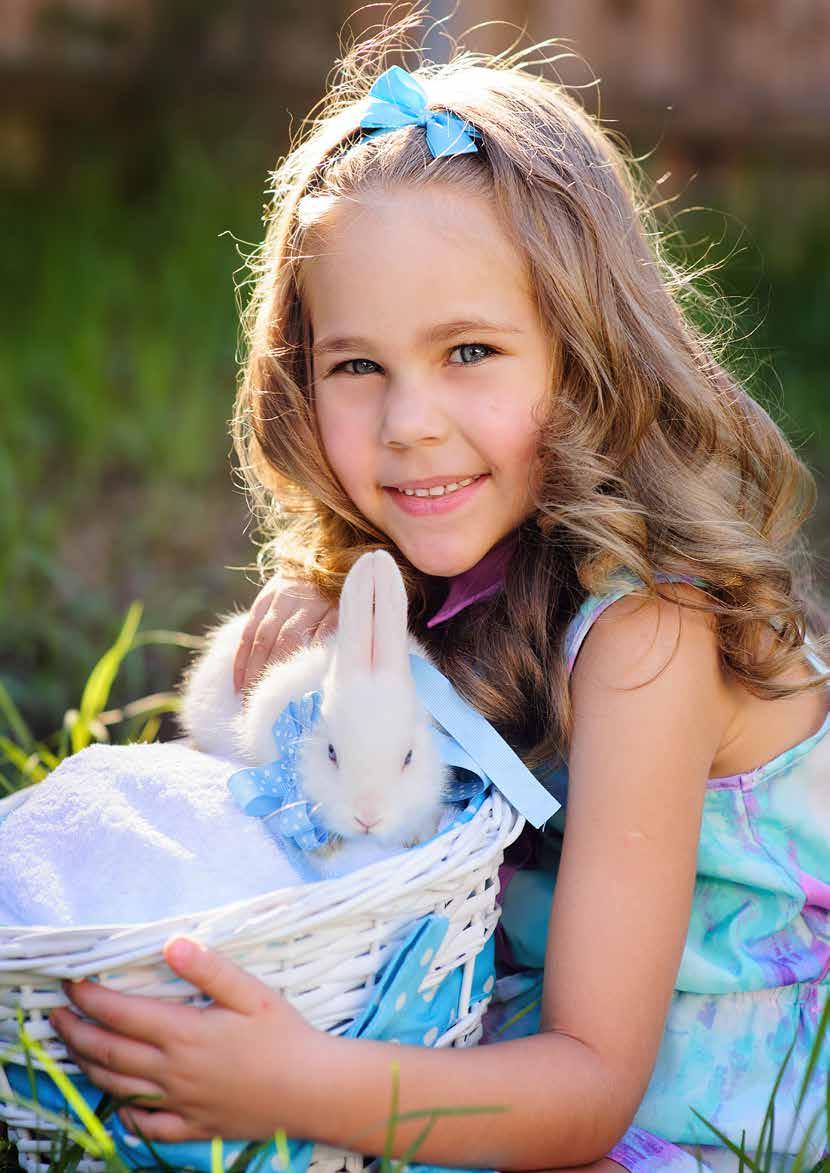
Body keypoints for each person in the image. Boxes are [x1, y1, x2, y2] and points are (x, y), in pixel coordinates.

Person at [49, 13, 829, 1173]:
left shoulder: (647, 637)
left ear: (583, 353)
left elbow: (588, 1089)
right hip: (495, 1032)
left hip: (681, 1096)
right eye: (357, 364)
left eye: (468, 352)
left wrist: (297, 1084)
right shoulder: (410, 576)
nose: (409, 423)